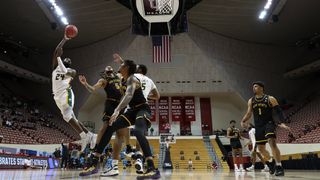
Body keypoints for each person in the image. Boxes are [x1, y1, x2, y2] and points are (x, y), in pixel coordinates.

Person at [79, 60, 160, 179]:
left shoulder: (132, 79)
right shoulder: (121, 78)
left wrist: (117, 110)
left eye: (121, 65)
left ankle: (152, 167)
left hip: (143, 109)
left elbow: (128, 95)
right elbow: (121, 72)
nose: (119, 66)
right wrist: (87, 84)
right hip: (131, 110)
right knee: (110, 126)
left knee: (138, 131)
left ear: (126, 68)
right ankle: (94, 161)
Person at [79, 65, 126, 176]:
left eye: (110, 68)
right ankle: (95, 149)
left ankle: (113, 165)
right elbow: (93, 89)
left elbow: (126, 68)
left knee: (120, 134)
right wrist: (85, 84)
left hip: (120, 105)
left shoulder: (118, 76)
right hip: (110, 104)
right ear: (105, 72)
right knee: (106, 126)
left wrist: (121, 62)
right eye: (107, 69)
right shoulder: (103, 80)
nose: (109, 68)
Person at [52, 35, 94, 151]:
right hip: (57, 97)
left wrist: (59, 57)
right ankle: (90, 134)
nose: (68, 60)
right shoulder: (55, 67)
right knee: (72, 118)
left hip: (66, 94)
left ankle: (83, 136)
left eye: (69, 60)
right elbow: (56, 51)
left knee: (66, 116)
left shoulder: (72, 71)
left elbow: (64, 71)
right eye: (66, 59)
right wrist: (65, 39)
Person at [241, 81, 291, 176]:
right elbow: (249, 113)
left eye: (255, 86)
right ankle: (271, 162)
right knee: (261, 149)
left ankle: (279, 166)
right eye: (253, 87)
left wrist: (282, 123)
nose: (253, 88)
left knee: (272, 142)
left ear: (261, 88)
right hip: (258, 127)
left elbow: (279, 111)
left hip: (269, 124)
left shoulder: (270, 98)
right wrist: (243, 120)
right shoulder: (251, 100)